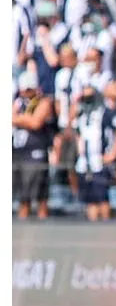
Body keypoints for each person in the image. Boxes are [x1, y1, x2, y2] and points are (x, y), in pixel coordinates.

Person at [73, 83, 116, 222]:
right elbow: (77, 133)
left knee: (102, 197)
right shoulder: (81, 114)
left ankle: (105, 227)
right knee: (90, 200)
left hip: (99, 161)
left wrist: (113, 153)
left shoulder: (105, 112)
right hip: (84, 162)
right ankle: (93, 225)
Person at [12, 72, 55, 220]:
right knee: (23, 196)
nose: (25, 93)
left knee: (39, 196)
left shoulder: (44, 101)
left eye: (29, 90)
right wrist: (23, 119)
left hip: (36, 153)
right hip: (19, 152)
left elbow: (36, 122)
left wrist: (18, 119)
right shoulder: (18, 102)